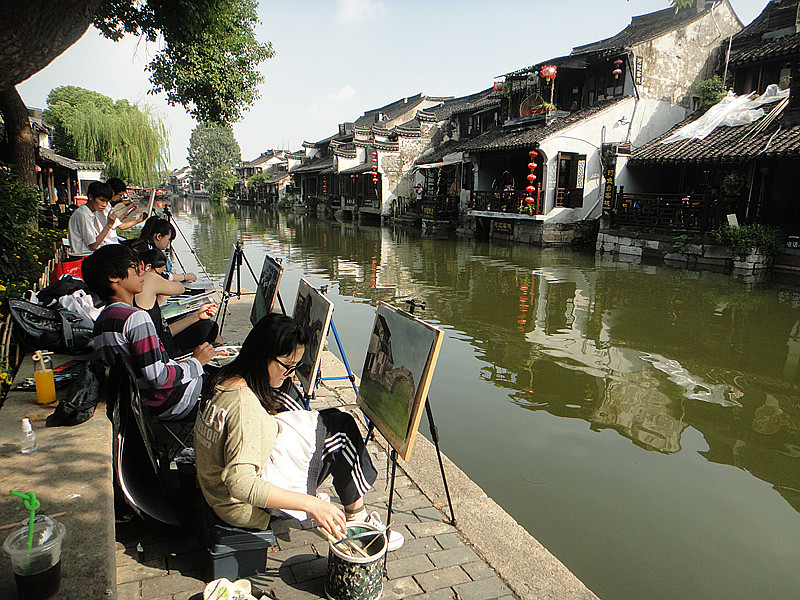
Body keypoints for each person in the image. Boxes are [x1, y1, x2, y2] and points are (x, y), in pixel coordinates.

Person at [194, 313, 403, 549]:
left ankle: (317, 490)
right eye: (288, 367)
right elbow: (240, 484)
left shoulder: (223, 378)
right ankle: (357, 520)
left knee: (320, 414)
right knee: (342, 431)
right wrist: (310, 504)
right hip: (238, 507)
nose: (291, 374)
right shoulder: (245, 406)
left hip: (215, 491)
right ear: (264, 356)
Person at [81, 244, 218, 421]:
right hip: (171, 402)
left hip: (137, 401)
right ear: (114, 277)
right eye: (134, 268)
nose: (141, 274)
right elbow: (158, 378)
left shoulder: (103, 319)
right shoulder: (136, 318)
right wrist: (196, 362)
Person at [135, 248, 220, 357]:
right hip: (164, 354)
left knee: (208, 325)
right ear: (144, 266)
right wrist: (166, 279)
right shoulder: (148, 278)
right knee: (210, 333)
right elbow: (179, 288)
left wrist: (197, 316)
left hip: (162, 343)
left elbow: (163, 332)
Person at [132, 217, 197, 283]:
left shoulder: (143, 245)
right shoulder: (147, 251)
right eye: (169, 239)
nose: (169, 243)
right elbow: (159, 274)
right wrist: (184, 277)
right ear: (159, 236)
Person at [67, 181, 117, 256]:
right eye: (102, 200)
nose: (104, 205)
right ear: (91, 197)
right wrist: (108, 225)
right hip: (83, 256)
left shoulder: (90, 212)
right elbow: (93, 246)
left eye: (107, 202)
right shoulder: (83, 214)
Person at [104, 177, 147, 243]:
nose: (121, 197)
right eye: (120, 195)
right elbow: (121, 226)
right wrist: (138, 221)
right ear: (112, 192)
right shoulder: (105, 207)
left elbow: (116, 223)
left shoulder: (108, 206)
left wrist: (126, 213)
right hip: (109, 241)